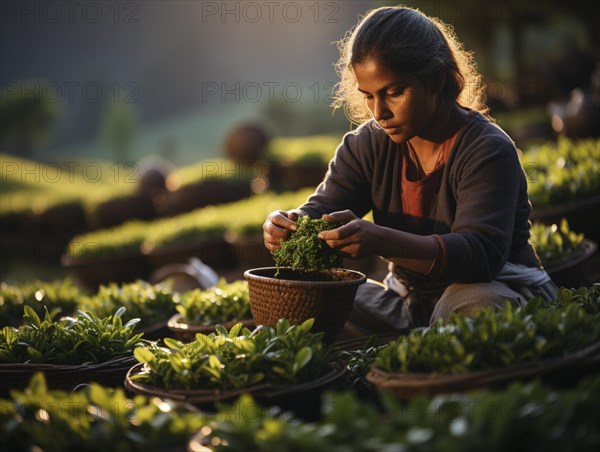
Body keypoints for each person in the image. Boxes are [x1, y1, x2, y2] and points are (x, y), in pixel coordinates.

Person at [262, 6, 557, 336]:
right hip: (408, 302)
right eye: (369, 96)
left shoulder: (486, 149)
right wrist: (288, 224)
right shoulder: (366, 146)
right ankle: (418, 337)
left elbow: (479, 257)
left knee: (468, 308)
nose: (379, 112)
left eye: (394, 92)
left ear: (435, 78)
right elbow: (322, 208)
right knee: (302, 297)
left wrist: (379, 240)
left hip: (496, 288)